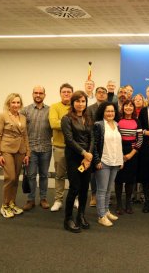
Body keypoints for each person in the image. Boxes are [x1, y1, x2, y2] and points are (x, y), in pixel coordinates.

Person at [61, 91, 94, 233]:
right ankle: (68, 219)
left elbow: (92, 138)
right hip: (74, 157)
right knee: (74, 188)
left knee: (84, 188)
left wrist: (89, 155)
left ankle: (81, 215)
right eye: (78, 101)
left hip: (87, 158)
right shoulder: (66, 118)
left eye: (83, 101)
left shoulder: (88, 117)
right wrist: (84, 153)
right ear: (72, 103)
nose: (81, 104)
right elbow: (69, 140)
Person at [0, 93, 30, 218]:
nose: (16, 105)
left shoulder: (23, 117)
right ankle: (4, 205)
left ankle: (12, 203)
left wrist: (27, 153)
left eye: (18, 102)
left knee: (15, 179)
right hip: (7, 150)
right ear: (8, 104)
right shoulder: (2, 116)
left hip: (20, 151)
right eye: (13, 102)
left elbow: (25, 136)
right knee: (10, 178)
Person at [20, 86, 52, 211]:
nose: (38, 95)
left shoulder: (50, 110)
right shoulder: (25, 111)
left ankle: (43, 198)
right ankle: (31, 199)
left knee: (44, 175)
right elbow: (21, 131)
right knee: (31, 175)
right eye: (36, 93)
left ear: (45, 95)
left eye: (41, 93)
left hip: (46, 148)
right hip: (31, 149)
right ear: (32, 94)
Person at [93, 102, 123, 227]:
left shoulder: (116, 124)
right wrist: (97, 160)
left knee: (108, 190)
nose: (110, 113)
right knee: (102, 190)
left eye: (112, 111)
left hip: (115, 161)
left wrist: (120, 160)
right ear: (102, 112)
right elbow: (94, 144)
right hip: (103, 161)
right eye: (107, 111)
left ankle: (106, 211)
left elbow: (118, 144)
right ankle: (101, 215)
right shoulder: (98, 125)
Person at [115, 100, 143, 214]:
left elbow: (140, 139)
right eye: (126, 105)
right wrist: (120, 154)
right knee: (118, 179)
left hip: (132, 152)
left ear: (133, 108)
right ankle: (119, 204)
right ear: (123, 107)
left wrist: (131, 154)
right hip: (118, 151)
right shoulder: (117, 120)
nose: (128, 107)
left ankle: (128, 203)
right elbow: (114, 138)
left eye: (131, 106)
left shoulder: (137, 121)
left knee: (130, 180)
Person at [49, 83, 73, 212]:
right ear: (60, 93)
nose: (66, 94)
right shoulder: (54, 107)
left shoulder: (76, 106)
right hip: (59, 147)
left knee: (74, 175)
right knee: (59, 175)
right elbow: (53, 123)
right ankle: (58, 200)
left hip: (74, 148)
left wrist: (63, 122)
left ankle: (75, 198)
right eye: (64, 92)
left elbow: (80, 123)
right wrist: (70, 123)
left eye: (69, 92)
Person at [87, 86, 108, 207]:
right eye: (99, 92)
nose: (101, 94)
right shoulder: (90, 109)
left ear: (106, 95)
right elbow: (89, 126)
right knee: (95, 170)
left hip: (107, 143)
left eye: (103, 92)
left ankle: (105, 195)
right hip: (94, 142)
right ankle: (94, 195)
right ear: (95, 94)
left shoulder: (110, 107)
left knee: (106, 169)